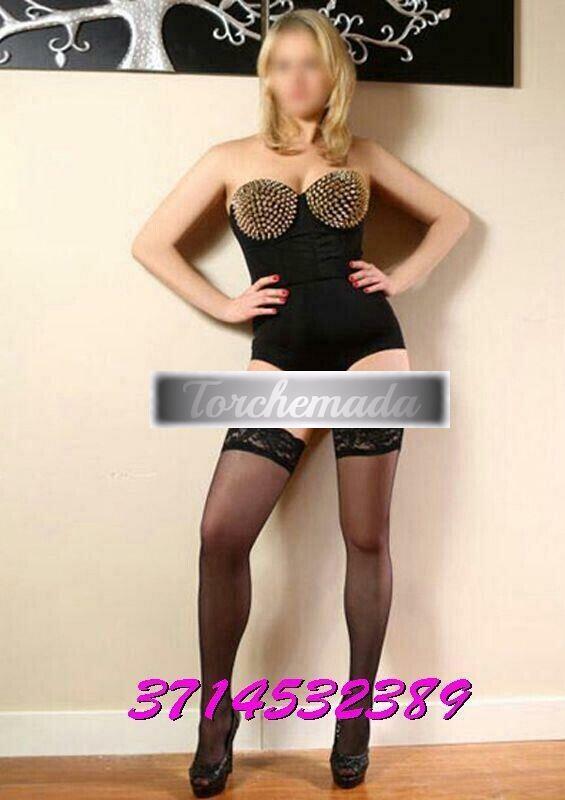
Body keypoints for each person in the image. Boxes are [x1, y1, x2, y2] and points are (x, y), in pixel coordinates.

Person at [131, 9, 470, 796]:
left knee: (366, 537)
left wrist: (403, 276)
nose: (296, 78)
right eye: (281, 64)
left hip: (370, 349)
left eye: (310, 63)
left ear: (333, 73)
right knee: (221, 533)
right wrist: (223, 304)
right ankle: (216, 715)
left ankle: (355, 715)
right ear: (267, 75)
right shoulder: (229, 159)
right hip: (281, 354)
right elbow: (151, 243)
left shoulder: (363, 154)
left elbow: (452, 219)